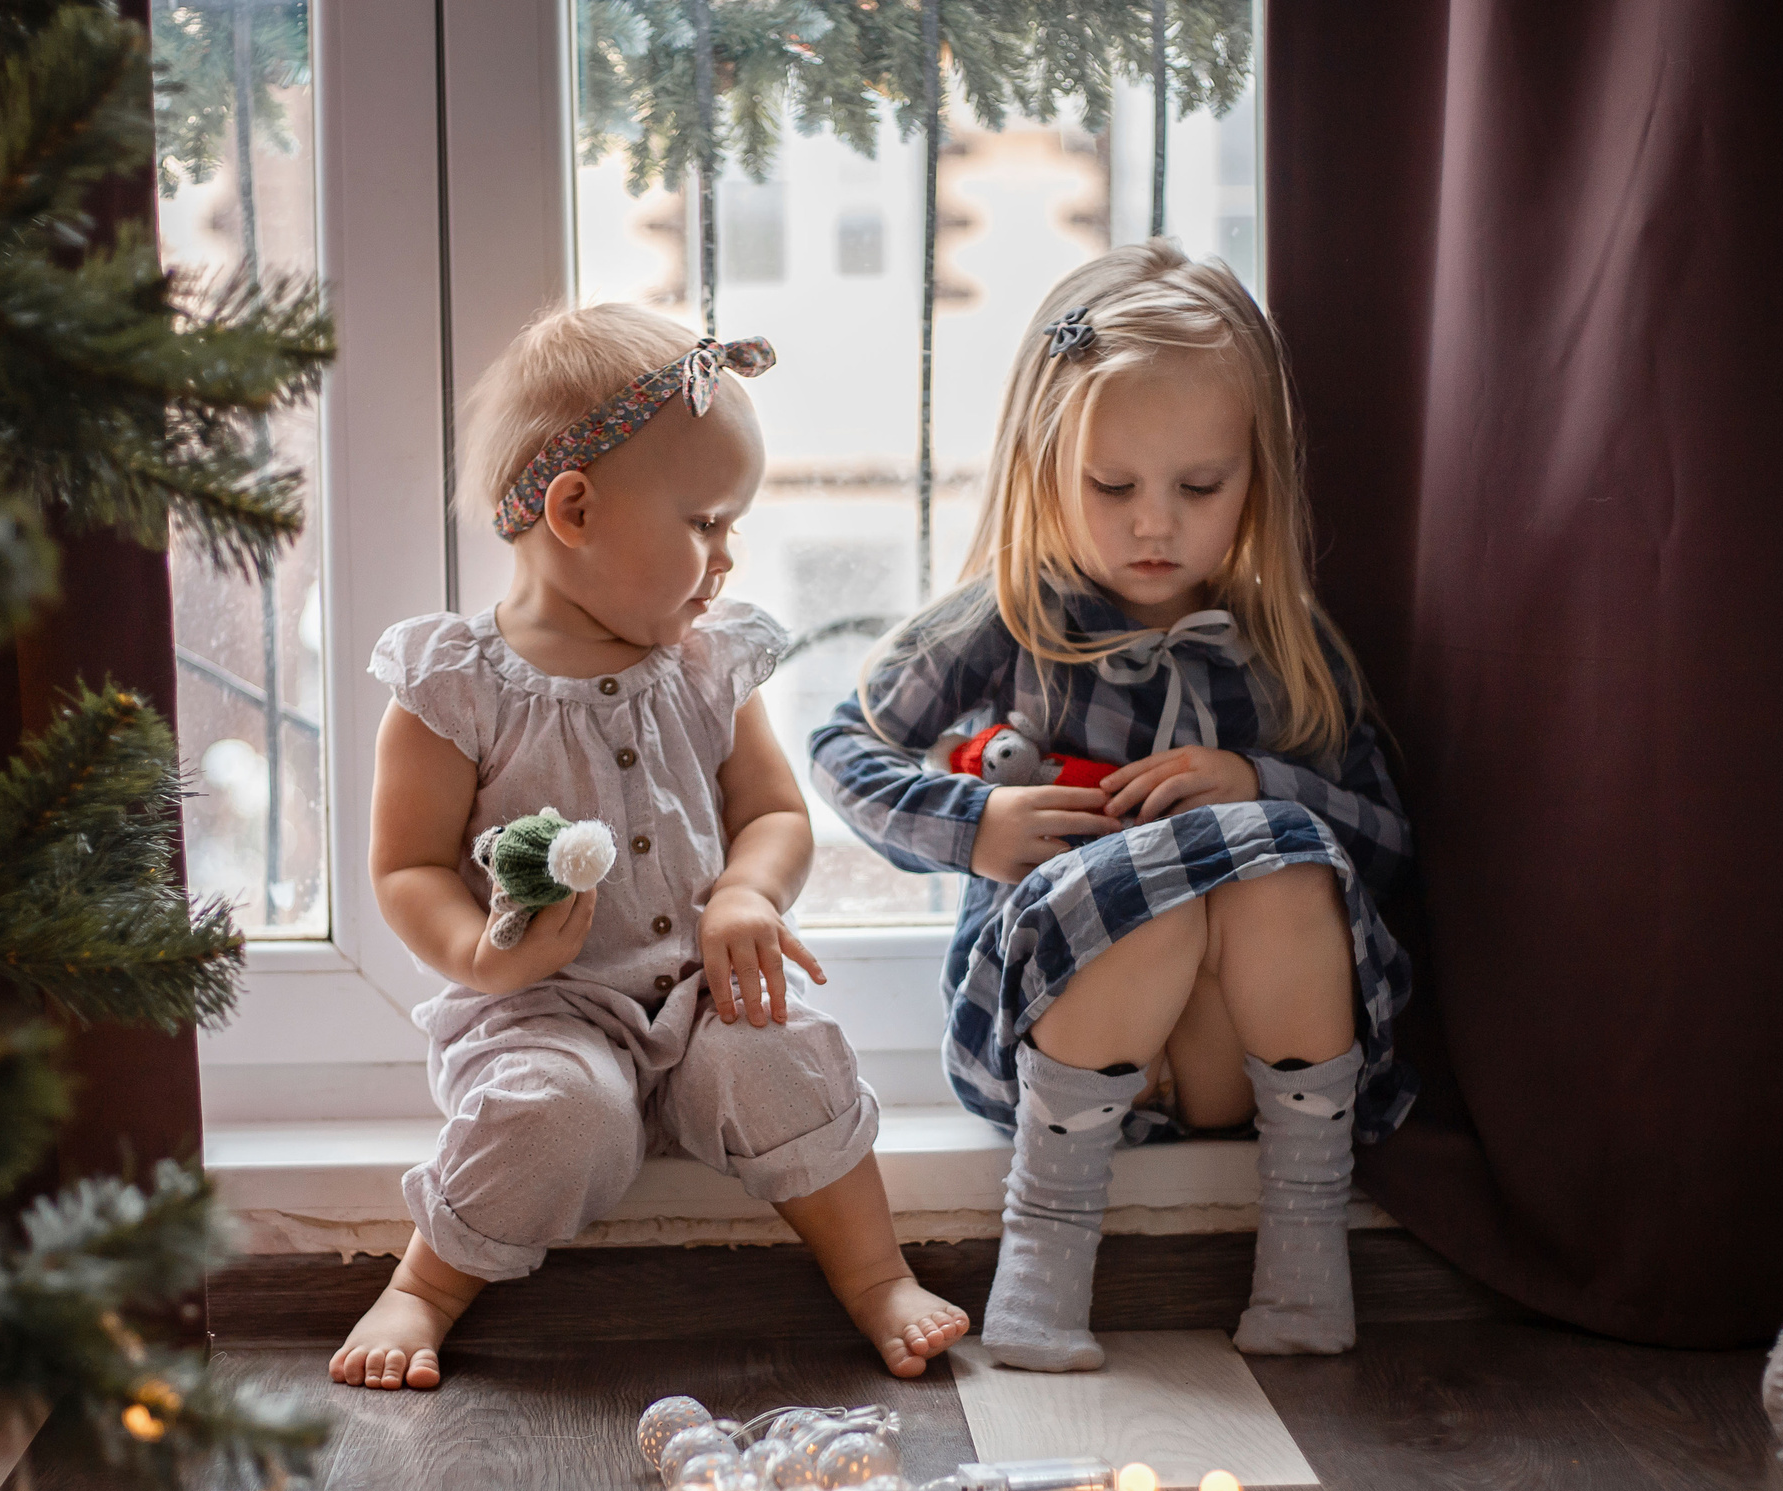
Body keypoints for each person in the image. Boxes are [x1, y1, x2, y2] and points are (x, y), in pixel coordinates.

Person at [332, 303, 971, 1390]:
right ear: (573, 509)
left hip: (703, 990)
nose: (726, 558)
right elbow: (406, 869)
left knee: (784, 1058)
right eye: (706, 524)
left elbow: (773, 811)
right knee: (547, 1114)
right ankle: (422, 1288)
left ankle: (876, 1280)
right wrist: (489, 959)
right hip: (541, 1007)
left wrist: (745, 897)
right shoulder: (456, 685)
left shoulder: (706, 664)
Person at [811, 241, 1415, 1372]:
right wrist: (971, 826)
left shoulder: (1284, 646)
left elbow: (1388, 843)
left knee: (1274, 856)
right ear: (1046, 464)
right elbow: (841, 747)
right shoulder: (1008, 620)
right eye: (1112, 487)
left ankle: (1304, 1249)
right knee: (1157, 891)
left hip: (1243, 1061)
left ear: (1258, 478)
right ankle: (1041, 1257)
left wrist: (1257, 784)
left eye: (1199, 488)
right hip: (1055, 1043)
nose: (1155, 525)